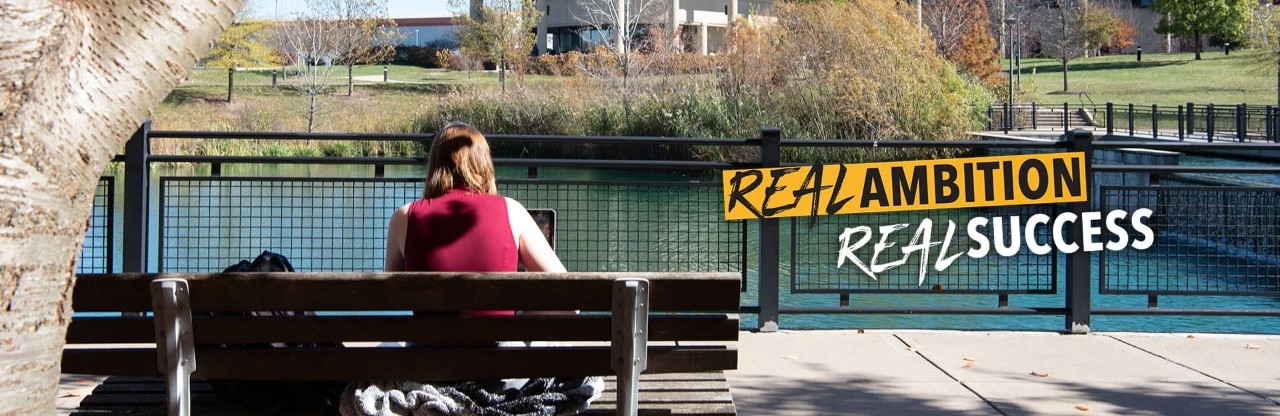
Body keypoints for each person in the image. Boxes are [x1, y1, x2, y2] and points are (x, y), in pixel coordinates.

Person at [384, 122, 565, 285]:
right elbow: (569, 296)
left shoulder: (404, 218)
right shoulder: (512, 212)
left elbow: (389, 298)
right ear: (484, 163)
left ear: (435, 166)